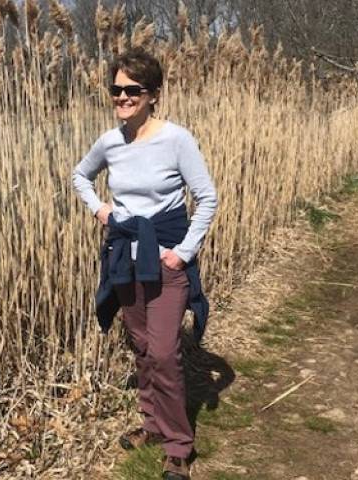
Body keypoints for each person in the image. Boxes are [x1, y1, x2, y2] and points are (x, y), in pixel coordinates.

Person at [71, 50, 218, 480]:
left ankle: (178, 446)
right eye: (116, 89)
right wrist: (99, 209)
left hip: (166, 259)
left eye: (131, 90)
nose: (122, 96)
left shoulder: (177, 139)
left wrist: (184, 252)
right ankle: (153, 425)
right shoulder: (110, 142)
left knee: (165, 353)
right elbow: (80, 176)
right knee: (141, 347)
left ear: (153, 94)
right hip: (124, 259)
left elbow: (206, 197)